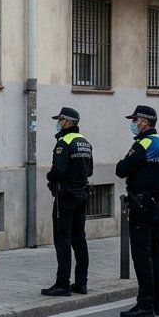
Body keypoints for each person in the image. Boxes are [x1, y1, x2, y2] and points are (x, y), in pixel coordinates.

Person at [114, 105, 159, 317]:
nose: (134, 123)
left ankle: (145, 304)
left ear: (145, 121)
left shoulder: (143, 144)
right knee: (155, 252)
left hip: (142, 204)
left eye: (136, 119)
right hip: (157, 203)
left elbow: (121, 169)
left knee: (141, 254)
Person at [42, 107, 93, 297]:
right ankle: (81, 283)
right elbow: (89, 171)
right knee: (79, 239)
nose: (58, 122)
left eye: (60, 119)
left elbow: (59, 170)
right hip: (82, 195)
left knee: (62, 240)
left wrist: (50, 176)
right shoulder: (85, 142)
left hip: (66, 196)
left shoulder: (63, 142)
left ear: (68, 122)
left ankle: (62, 284)